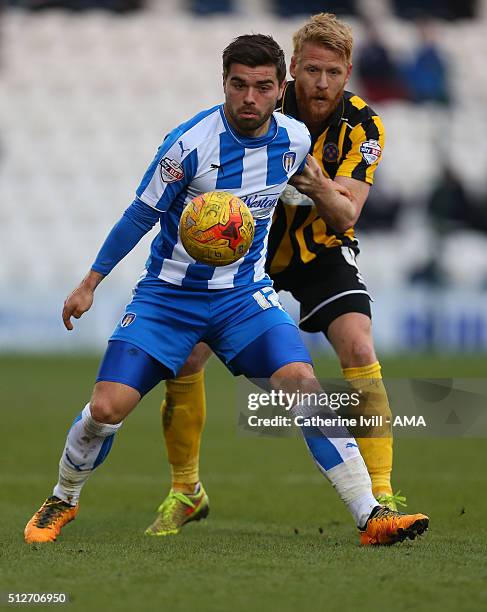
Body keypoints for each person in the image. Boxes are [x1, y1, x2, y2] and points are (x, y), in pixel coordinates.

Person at [24, 33, 428, 547]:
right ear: (224, 83)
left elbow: (326, 201)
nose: (250, 98)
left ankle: (371, 514)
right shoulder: (188, 144)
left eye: (262, 87)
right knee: (105, 408)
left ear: (279, 87)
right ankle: (63, 497)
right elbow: (139, 215)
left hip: (243, 298)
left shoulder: (295, 141)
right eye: (239, 85)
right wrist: (89, 284)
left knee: (306, 388)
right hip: (168, 299)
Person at [147, 14, 407, 538]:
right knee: (188, 354)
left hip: (319, 252)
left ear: (348, 71)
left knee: (358, 344)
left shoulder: (364, 126)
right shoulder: (262, 105)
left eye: (333, 72)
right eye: (311, 70)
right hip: (245, 251)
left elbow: (347, 214)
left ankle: (380, 494)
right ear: (292, 71)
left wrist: (312, 181)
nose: (322, 83)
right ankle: (186, 490)